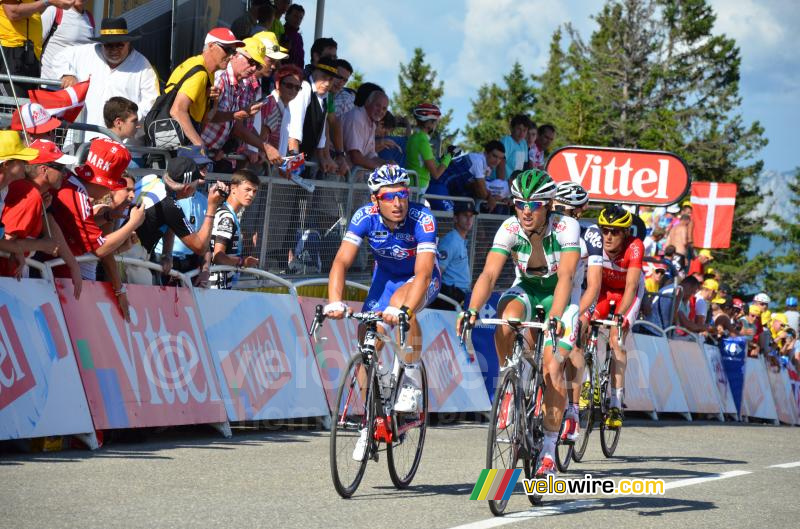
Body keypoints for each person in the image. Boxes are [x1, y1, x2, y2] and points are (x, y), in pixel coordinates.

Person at [457, 169, 580, 478]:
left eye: (535, 204)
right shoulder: (510, 227)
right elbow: (488, 275)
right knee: (508, 319)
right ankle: (509, 378)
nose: (526, 210)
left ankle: (549, 449)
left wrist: (554, 320)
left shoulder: (568, 226)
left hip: (559, 296)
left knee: (553, 368)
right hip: (526, 288)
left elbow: (565, 277)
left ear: (549, 204)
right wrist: (471, 309)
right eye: (519, 203)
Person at [324, 165, 440, 461]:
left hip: (420, 279)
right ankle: (371, 421)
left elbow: (424, 272)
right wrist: (335, 301)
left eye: (402, 194)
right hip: (385, 281)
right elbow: (340, 263)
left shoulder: (422, 218)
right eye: (390, 197)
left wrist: (402, 309)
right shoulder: (364, 217)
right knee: (366, 342)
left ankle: (411, 378)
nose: (398, 203)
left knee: (404, 308)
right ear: (376, 200)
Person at [47, 138, 145, 319]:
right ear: (105, 183)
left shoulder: (71, 182)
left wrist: (106, 217)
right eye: (112, 186)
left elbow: (74, 226)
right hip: (61, 283)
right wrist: (133, 223)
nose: (109, 192)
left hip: (58, 279)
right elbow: (100, 249)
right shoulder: (77, 195)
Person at [55, 17, 159, 143]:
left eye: (119, 45)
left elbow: (151, 103)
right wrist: (67, 74)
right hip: (82, 139)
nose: (114, 50)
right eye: (109, 45)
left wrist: (128, 120)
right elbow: (59, 57)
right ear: (102, 44)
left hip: (124, 146)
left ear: (128, 43)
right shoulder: (87, 52)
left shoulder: (143, 66)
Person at [553, 181, 601, 445]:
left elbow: (593, 285)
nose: (563, 214)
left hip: (577, 296)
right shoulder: (548, 225)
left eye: (569, 210)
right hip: (551, 294)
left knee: (574, 346)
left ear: (580, 211)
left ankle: (572, 408)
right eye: (559, 208)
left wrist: (581, 313)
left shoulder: (590, 233)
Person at [0, 144, 82, 294]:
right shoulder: (30, 194)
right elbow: (7, 240)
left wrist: (73, 265)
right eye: (61, 169)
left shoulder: (36, 194)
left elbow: (49, 221)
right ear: (44, 170)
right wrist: (42, 245)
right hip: (8, 276)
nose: (65, 174)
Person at [593, 205, 645, 430]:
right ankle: (589, 381)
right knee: (585, 327)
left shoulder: (635, 246)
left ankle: (615, 403)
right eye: (605, 230)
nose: (608, 236)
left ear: (625, 233)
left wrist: (618, 317)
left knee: (616, 339)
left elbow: (632, 286)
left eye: (614, 231)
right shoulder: (595, 243)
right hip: (603, 291)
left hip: (627, 294)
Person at [134, 156, 225, 268]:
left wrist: (166, 254)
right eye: (196, 183)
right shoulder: (169, 205)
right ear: (187, 189)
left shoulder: (152, 179)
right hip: (129, 256)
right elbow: (200, 247)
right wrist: (212, 207)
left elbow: (169, 222)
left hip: (124, 248)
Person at [164, 27, 245, 147]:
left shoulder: (207, 72)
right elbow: (177, 111)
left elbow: (206, 118)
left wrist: (214, 103)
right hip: (173, 144)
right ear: (211, 46)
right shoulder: (200, 73)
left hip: (175, 141)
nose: (231, 56)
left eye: (233, 52)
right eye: (227, 50)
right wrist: (200, 145)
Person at [201, 36, 266, 170]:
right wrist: (236, 115)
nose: (254, 68)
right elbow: (205, 116)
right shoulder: (220, 77)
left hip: (208, 154)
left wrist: (220, 149)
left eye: (257, 65)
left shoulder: (240, 84)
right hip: (197, 152)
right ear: (236, 55)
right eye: (251, 61)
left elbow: (229, 125)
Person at [0, 132, 60, 262]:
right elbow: (5, 243)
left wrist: (17, 251)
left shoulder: (4, 190)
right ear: (6, 165)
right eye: (22, 161)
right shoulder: (24, 193)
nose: (27, 164)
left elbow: (3, 240)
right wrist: (43, 245)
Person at [0, 0, 76, 95]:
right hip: (11, 51)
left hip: (30, 54)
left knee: (27, 107)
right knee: (13, 107)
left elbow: (33, 9)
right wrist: (48, 2)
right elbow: (13, 13)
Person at [286, 57, 339, 174]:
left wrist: (323, 158)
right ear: (315, 72)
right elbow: (294, 129)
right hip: (290, 156)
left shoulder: (325, 98)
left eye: (331, 79)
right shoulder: (304, 88)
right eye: (324, 77)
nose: (327, 83)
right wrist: (294, 161)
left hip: (305, 159)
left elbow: (322, 133)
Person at [210, 169, 260, 289]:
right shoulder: (227, 217)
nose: (251, 195)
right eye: (247, 189)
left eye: (254, 191)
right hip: (216, 286)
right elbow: (218, 256)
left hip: (223, 283)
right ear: (233, 189)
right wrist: (242, 262)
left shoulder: (230, 214)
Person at [426, 140, 505, 211]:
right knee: (451, 219)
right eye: (494, 156)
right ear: (485, 153)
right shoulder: (478, 160)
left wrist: (495, 197)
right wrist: (490, 197)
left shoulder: (484, 167)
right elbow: (482, 192)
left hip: (442, 189)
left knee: (457, 219)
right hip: (437, 186)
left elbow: (476, 187)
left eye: (500, 158)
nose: (497, 161)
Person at [430, 200, 477, 308]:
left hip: (459, 296)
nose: (469, 219)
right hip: (450, 297)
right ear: (455, 218)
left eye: (471, 216)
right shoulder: (450, 240)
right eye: (465, 215)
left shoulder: (460, 239)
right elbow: (437, 272)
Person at [404, 103, 454, 191]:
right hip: (418, 187)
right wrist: (450, 156)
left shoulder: (414, 137)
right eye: (435, 122)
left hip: (410, 184)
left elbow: (429, 163)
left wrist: (445, 157)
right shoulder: (423, 141)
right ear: (429, 123)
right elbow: (436, 174)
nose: (436, 125)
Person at [39, 0, 94, 80]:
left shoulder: (89, 18)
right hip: (52, 84)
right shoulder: (54, 11)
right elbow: (36, 44)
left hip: (76, 87)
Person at [341, 88, 390, 171]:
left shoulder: (372, 124)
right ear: (367, 102)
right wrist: (383, 169)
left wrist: (387, 163)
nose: (380, 111)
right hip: (333, 170)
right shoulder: (356, 117)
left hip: (345, 174)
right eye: (377, 105)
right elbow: (356, 157)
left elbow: (370, 156)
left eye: (384, 109)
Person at [499, 114, 529, 180]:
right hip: (504, 182)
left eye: (524, 130)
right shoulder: (506, 141)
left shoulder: (524, 143)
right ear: (511, 128)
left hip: (515, 184)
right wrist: (501, 183)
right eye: (519, 129)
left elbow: (525, 164)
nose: (521, 133)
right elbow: (501, 163)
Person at [282, 3, 304, 69]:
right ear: (287, 16)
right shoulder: (281, 32)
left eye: (300, 18)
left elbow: (301, 60)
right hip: (282, 72)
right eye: (295, 16)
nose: (298, 20)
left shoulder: (299, 38)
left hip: (296, 74)